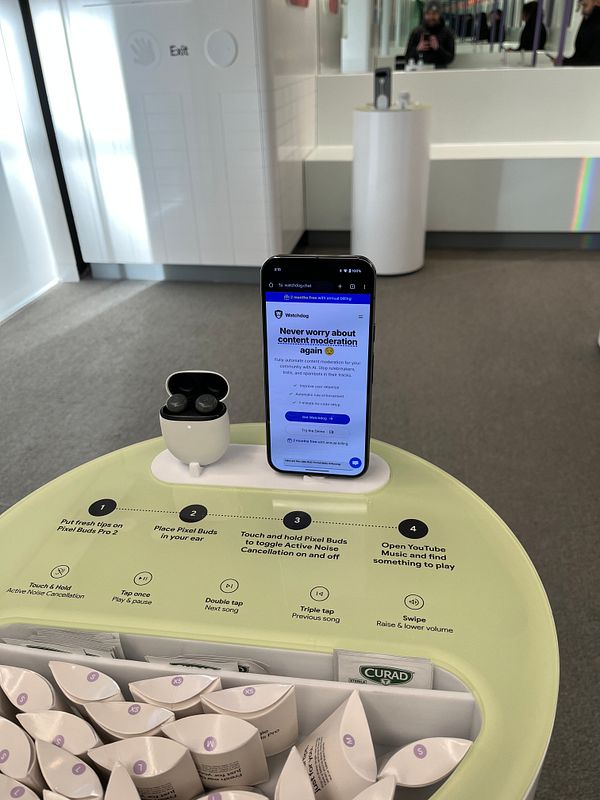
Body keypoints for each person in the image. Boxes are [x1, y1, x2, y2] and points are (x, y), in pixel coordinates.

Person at [405, 0, 455, 68]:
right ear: (424, 15)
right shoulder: (416, 32)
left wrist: (438, 48)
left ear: (439, 14)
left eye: (434, 14)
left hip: (440, 72)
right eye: (428, 14)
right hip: (419, 72)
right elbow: (407, 57)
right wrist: (418, 49)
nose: (431, 17)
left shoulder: (447, 33)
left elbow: (450, 58)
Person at [555, 0, 600, 65]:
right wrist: (566, 61)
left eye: (584, 6)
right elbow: (581, 54)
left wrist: (566, 62)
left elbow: (593, 61)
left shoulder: (593, 24)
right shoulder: (588, 20)